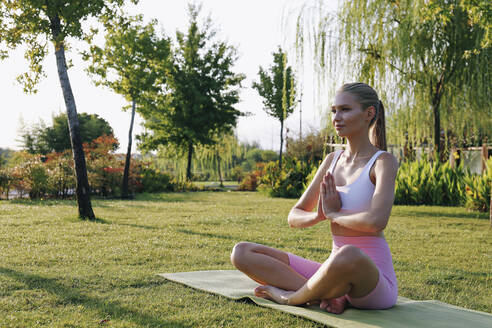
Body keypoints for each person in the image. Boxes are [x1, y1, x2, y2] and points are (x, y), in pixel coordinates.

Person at [230, 82, 399, 314]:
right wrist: (319, 215)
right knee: (242, 252)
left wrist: (334, 215)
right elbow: (294, 216)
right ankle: (328, 295)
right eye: (334, 110)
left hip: (372, 280)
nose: (336, 117)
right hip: (334, 270)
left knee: (349, 253)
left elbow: (376, 221)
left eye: (345, 109)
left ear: (369, 113)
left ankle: (290, 298)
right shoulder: (332, 160)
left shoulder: (383, 162)